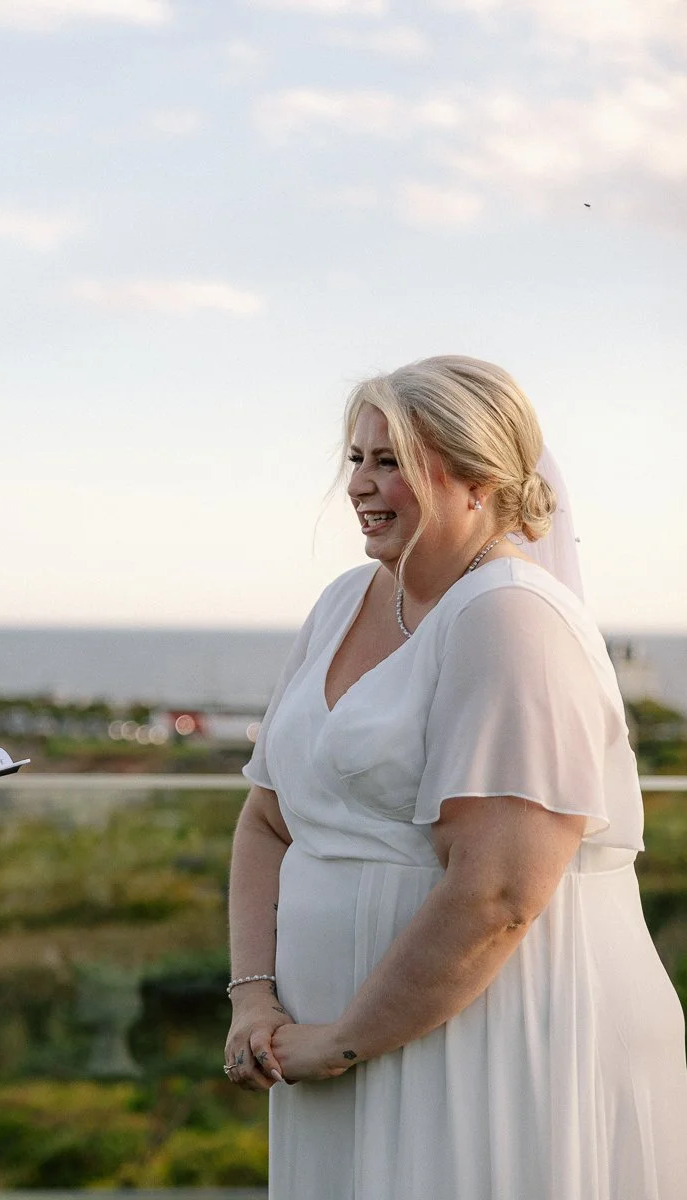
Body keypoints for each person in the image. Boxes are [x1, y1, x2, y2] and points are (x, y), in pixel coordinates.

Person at [222, 355, 687, 1199]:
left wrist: (348, 1039)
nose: (361, 485)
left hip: (483, 1046)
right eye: (357, 459)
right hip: (324, 1051)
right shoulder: (343, 602)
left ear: (476, 478)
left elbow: (498, 894)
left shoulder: (514, 618)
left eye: (391, 461)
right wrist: (254, 1000)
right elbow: (267, 820)